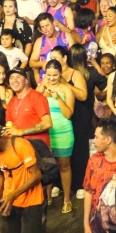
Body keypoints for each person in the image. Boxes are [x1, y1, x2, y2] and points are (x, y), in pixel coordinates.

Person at [39, 59, 76, 211]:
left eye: (55, 75)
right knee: (46, 166)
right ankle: (46, 197)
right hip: (46, 132)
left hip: (63, 132)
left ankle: (66, 199)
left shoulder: (67, 89)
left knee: (64, 166)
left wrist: (57, 98)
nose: (52, 78)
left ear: (60, 73)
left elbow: (68, 114)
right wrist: (41, 91)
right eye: (49, 75)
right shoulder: (40, 88)